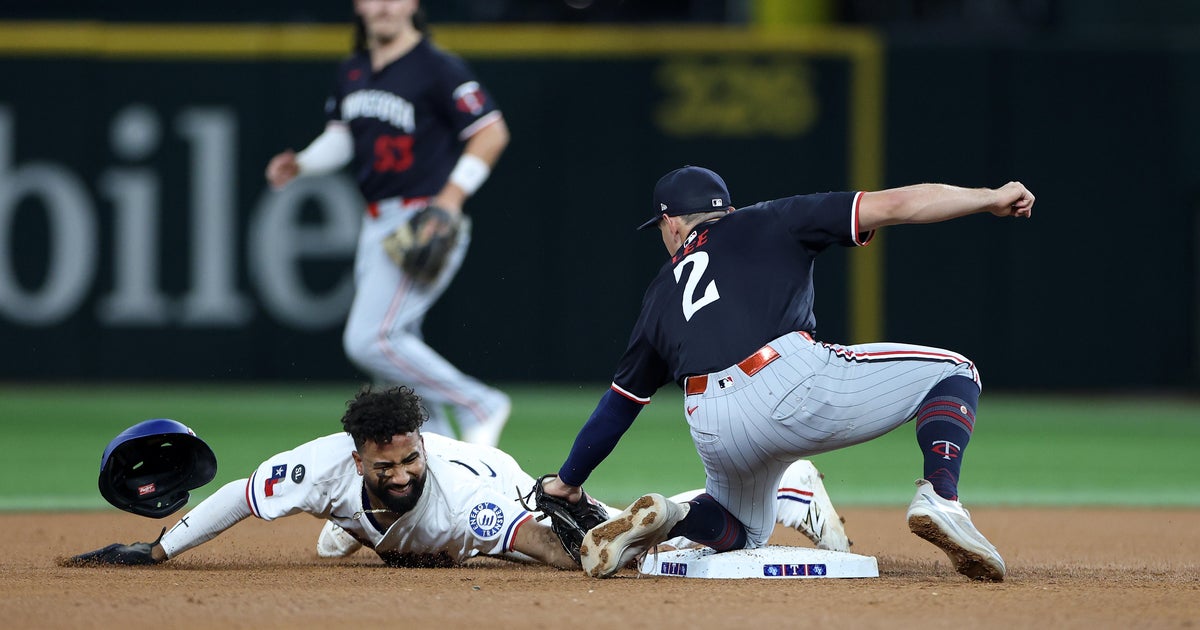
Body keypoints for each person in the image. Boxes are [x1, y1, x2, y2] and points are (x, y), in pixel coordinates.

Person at [541, 166, 1035, 581]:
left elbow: (620, 404)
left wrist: (567, 482)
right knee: (953, 371)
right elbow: (897, 204)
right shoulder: (770, 218)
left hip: (710, 420)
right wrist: (988, 198)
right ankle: (940, 498)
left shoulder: (659, 293)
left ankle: (674, 516)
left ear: (670, 223)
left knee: (742, 529)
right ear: (727, 211)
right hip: (785, 380)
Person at [65, 386, 850, 569]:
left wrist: (581, 553)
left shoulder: (458, 495)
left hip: (500, 493)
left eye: (409, 457)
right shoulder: (319, 463)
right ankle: (356, 527)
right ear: (357, 456)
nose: (402, 470)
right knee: (342, 537)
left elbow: (539, 545)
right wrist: (158, 551)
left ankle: (791, 490)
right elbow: (240, 494)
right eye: (387, 465)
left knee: (623, 549)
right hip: (376, 514)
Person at [265, 0, 511, 448]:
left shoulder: (437, 66)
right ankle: (444, 465)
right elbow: (342, 139)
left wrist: (451, 198)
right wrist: (301, 163)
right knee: (394, 358)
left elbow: (490, 131)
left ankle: (479, 403)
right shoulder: (353, 71)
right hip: (376, 222)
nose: (383, 6)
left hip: (424, 217)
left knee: (370, 339)